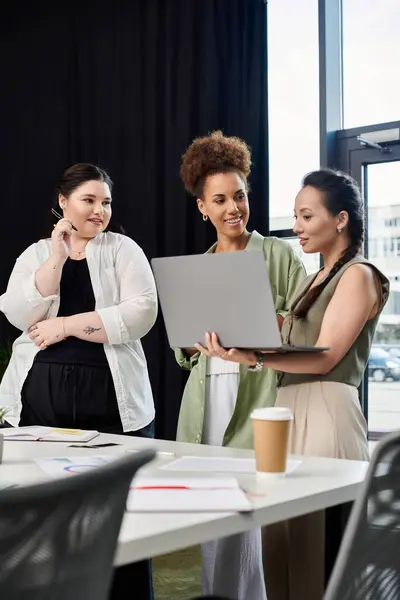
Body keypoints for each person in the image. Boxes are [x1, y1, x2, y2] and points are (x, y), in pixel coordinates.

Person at [196, 168, 390, 600]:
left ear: (340, 219)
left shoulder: (359, 274)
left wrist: (253, 355)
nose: (297, 227)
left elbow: (325, 357)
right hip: (286, 411)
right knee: (279, 547)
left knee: (316, 555)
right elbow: (280, 337)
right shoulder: (310, 281)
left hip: (326, 411)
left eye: (306, 216)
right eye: (295, 217)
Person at [0, 163, 158, 600]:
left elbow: (142, 311)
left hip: (111, 404)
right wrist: (56, 255)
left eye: (105, 202)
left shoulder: (123, 249)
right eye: (89, 200)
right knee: (46, 515)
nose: (99, 211)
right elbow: (18, 314)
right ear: (63, 203)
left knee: (120, 517)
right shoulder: (36, 254)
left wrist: (66, 325)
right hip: (39, 406)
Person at [175, 130, 306, 600]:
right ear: (202, 208)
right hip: (207, 398)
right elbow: (185, 352)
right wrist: (194, 344)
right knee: (214, 517)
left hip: (257, 395)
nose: (234, 208)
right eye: (221, 199)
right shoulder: (198, 265)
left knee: (250, 519)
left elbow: (302, 326)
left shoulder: (277, 254)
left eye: (240, 196)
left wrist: (259, 331)